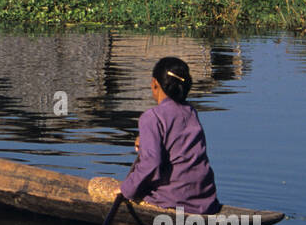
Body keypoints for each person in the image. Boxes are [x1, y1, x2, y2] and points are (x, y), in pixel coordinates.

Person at [89, 56, 220, 215]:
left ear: (154, 84)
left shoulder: (151, 117)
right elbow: (176, 143)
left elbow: (152, 163)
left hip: (174, 200)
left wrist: (125, 190)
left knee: (97, 185)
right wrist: (145, 140)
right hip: (205, 199)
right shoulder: (190, 112)